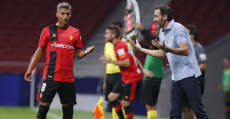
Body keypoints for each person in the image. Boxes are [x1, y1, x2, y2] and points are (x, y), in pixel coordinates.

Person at [128, 4, 209, 119]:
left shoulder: (178, 28)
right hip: (176, 78)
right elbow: (161, 54)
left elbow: (185, 50)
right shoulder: (162, 32)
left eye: (156, 16)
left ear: (165, 16)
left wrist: (167, 49)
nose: (154, 19)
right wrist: (141, 49)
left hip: (189, 75)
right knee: (174, 114)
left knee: (198, 112)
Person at [24, 2, 94, 119]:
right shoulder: (47, 31)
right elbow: (39, 51)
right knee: (42, 112)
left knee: (68, 114)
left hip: (68, 78)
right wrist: (30, 69)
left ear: (71, 14)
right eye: (63, 13)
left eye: (68, 14)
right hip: (50, 76)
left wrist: (85, 52)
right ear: (57, 14)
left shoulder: (75, 33)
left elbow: (78, 54)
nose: (66, 16)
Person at [100, 26, 142, 119]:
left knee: (124, 103)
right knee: (111, 97)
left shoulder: (120, 46)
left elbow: (126, 63)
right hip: (125, 78)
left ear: (113, 35)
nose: (104, 35)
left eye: (107, 33)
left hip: (132, 77)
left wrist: (111, 61)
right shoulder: (116, 46)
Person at [103, 21, 133, 119]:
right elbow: (107, 63)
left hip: (120, 74)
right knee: (112, 99)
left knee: (122, 101)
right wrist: (105, 80)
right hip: (109, 75)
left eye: (113, 29)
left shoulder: (124, 43)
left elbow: (129, 61)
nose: (108, 34)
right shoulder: (108, 44)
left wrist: (112, 61)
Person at [135, 22, 164, 119]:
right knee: (149, 104)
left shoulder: (160, 42)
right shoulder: (154, 46)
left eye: (156, 29)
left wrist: (141, 29)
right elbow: (143, 48)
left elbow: (149, 38)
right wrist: (134, 41)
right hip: (151, 77)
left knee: (150, 104)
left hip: (153, 77)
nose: (154, 30)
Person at [183, 25, 207, 119]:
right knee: (185, 108)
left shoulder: (198, 48)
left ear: (191, 36)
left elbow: (203, 66)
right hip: (186, 82)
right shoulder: (186, 49)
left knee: (194, 109)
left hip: (196, 82)